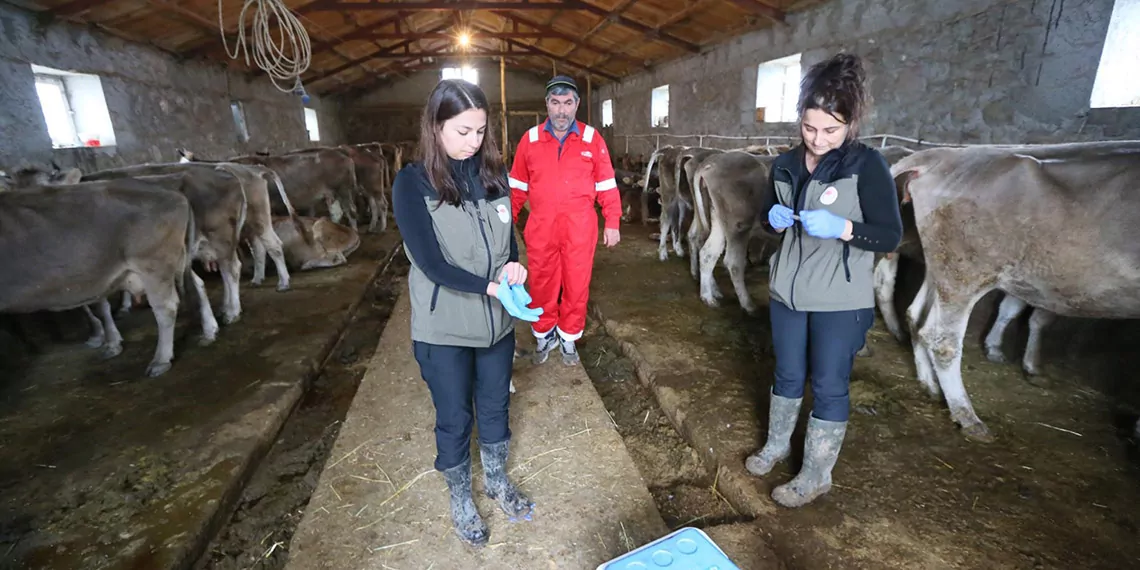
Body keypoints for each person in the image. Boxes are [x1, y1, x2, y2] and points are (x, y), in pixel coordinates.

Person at [745, 53, 902, 507]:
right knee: (787, 373)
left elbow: (890, 235)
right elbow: (765, 220)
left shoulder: (866, 165)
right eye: (810, 128)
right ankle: (777, 445)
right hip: (786, 293)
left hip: (840, 299)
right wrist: (770, 220)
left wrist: (845, 228)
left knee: (830, 383)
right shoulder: (785, 164)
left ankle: (815, 474)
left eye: (830, 131)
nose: (818, 140)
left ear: (850, 124)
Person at [391, 79, 543, 546]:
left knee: (496, 405)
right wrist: (490, 286)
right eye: (462, 131)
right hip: (445, 329)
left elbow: (507, 237)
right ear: (435, 128)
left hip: (496, 324)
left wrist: (514, 267)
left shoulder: (492, 176)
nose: (473, 142)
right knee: (455, 416)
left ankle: (496, 481)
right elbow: (431, 263)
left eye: (480, 131)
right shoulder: (412, 182)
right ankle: (461, 498)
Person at [508, 74, 622, 366]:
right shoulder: (530, 140)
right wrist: (507, 222)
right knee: (542, 282)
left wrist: (612, 221)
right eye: (555, 103)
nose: (561, 110)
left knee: (576, 283)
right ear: (546, 104)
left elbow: (606, 183)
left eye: (567, 103)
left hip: (580, 229)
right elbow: (518, 186)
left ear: (577, 104)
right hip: (541, 228)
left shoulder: (591, 139)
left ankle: (569, 338)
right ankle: (545, 334)